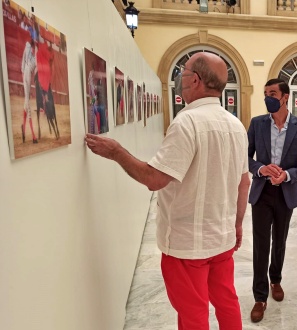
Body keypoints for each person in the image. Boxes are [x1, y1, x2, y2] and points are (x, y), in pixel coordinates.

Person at [85, 52, 250, 330]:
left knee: (192, 314)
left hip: (187, 245)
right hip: (221, 238)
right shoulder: (235, 125)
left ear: (195, 80)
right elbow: (243, 182)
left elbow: (154, 179)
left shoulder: (187, 123)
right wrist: (236, 224)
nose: (179, 80)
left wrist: (116, 152)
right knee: (226, 301)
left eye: (183, 74)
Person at [247, 78, 297, 323]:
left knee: (280, 241)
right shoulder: (257, 124)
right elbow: (246, 157)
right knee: (260, 244)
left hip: (285, 192)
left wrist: (287, 175)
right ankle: (259, 296)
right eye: (265, 93)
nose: (268, 97)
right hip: (262, 192)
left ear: (285, 97)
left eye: (273, 93)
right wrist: (261, 169)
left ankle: (276, 279)